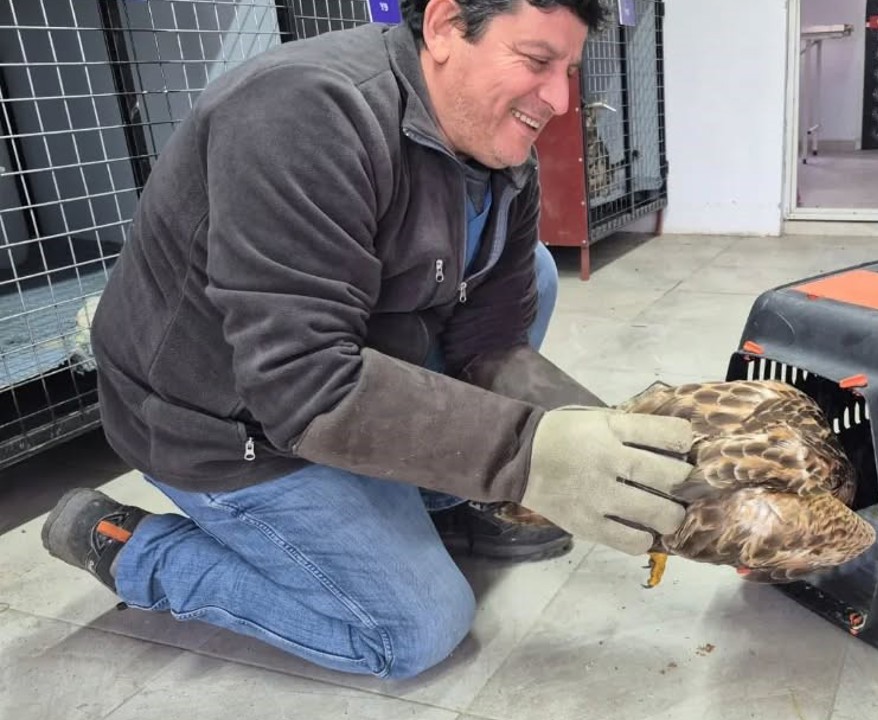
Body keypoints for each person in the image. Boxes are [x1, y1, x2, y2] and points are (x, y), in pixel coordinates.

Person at [40, 0, 695, 680]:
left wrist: (606, 439)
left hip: (352, 363)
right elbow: (305, 385)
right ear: (444, 25)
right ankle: (128, 545)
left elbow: (492, 340)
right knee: (416, 628)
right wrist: (528, 455)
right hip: (224, 423)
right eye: (535, 62)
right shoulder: (302, 114)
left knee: (529, 273)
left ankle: (444, 500)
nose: (559, 99)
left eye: (567, 69)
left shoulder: (500, 153)